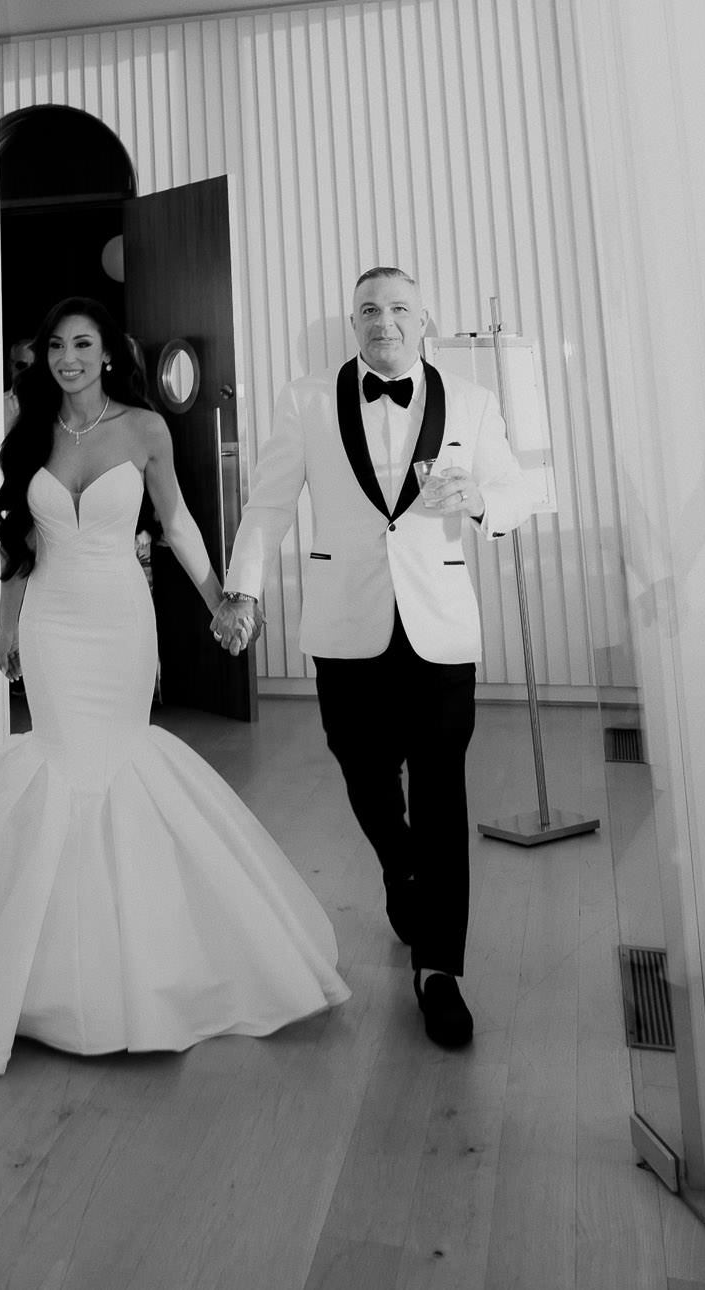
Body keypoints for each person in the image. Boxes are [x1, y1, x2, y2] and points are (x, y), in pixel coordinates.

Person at [0, 295, 349, 1074]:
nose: (68, 357)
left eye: (83, 344)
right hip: (50, 624)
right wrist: (6, 623)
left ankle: (141, 967)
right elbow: (18, 537)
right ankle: (39, 977)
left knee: (116, 763)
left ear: (107, 354)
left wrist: (222, 604)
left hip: (118, 623)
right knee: (59, 762)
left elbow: (175, 526)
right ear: (44, 357)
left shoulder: (144, 429)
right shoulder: (28, 427)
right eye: (56, 346)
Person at [211, 266, 538, 1050]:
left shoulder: (474, 400)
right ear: (352, 323)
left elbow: (518, 491)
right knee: (360, 769)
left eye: (397, 308)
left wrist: (483, 501)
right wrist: (243, 591)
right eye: (368, 310)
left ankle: (440, 970)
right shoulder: (306, 400)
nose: (382, 320)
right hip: (345, 621)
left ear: (424, 321)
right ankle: (400, 869)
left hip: (438, 626)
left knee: (440, 786)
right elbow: (269, 503)